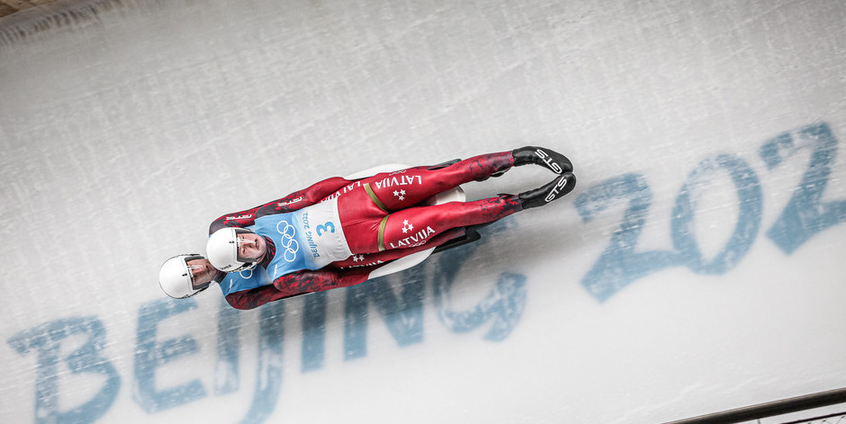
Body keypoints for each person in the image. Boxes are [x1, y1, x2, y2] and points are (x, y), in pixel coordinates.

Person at [204, 147, 575, 297]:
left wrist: (349, 184)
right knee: (449, 216)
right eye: (244, 251)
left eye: (242, 238)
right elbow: (333, 279)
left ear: (241, 230)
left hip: (357, 200)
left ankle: (522, 155)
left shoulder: (267, 218)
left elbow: (307, 195)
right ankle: (531, 199)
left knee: (440, 178)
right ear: (245, 263)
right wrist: (370, 268)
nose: (249, 243)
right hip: (371, 237)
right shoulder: (284, 274)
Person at [159, 226, 471, 309]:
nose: (200, 269)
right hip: (333, 258)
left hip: (317, 227)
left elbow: (270, 210)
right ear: (199, 288)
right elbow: (289, 292)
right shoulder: (237, 296)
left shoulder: (221, 229)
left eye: (192, 266)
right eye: (195, 278)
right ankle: (445, 235)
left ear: (190, 257)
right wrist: (344, 278)